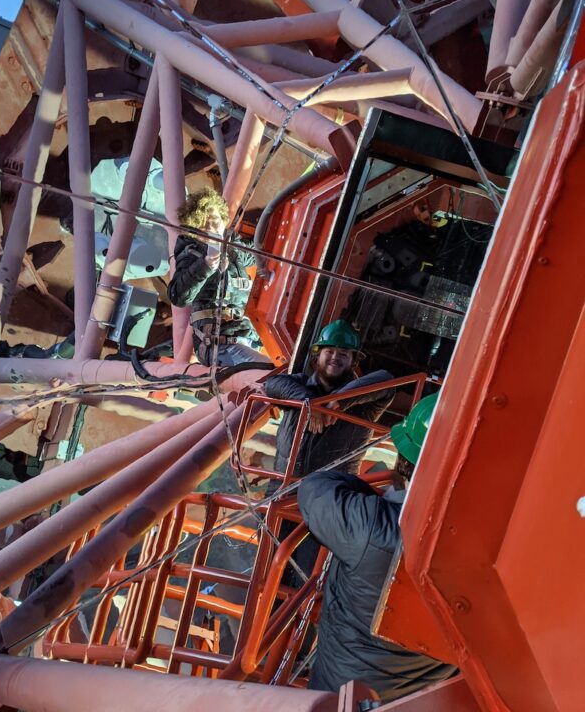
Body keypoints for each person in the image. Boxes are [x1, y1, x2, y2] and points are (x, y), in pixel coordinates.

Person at [297, 393, 457, 702]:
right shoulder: (493, 552)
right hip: (429, 698)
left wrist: (368, 495)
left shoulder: (371, 525)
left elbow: (314, 487)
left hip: (340, 694)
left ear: (402, 461)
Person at [264, 319, 395, 479]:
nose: (335, 357)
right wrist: (310, 402)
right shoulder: (300, 385)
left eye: (343, 354)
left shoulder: (364, 405)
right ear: (317, 357)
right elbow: (272, 384)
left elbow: (387, 382)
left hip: (331, 495)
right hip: (281, 488)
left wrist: (341, 400)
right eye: (329, 351)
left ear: (353, 362)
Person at [168, 188, 272, 367]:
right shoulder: (191, 253)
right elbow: (178, 295)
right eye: (203, 224)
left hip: (249, 338)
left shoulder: (233, 249)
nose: (210, 228)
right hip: (218, 345)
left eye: (214, 221)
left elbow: (260, 253)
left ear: (223, 220)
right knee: (269, 373)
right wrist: (206, 265)